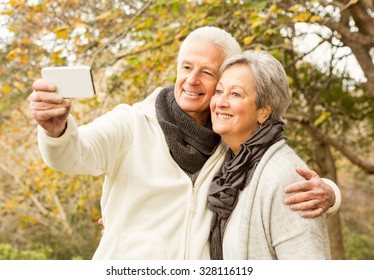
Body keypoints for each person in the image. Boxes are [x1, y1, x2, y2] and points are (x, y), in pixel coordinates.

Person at [29, 26, 340, 259]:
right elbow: (74, 154)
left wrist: (330, 192)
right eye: (187, 67)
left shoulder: (229, 144)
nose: (192, 80)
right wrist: (57, 130)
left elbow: (272, 177)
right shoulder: (131, 123)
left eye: (207, 73)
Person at [208, 50, 331, 260]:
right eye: (219, 91)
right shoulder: (230, 166)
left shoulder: (285, 178)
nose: (220, 102)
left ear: (263, 111)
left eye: (235, 94)